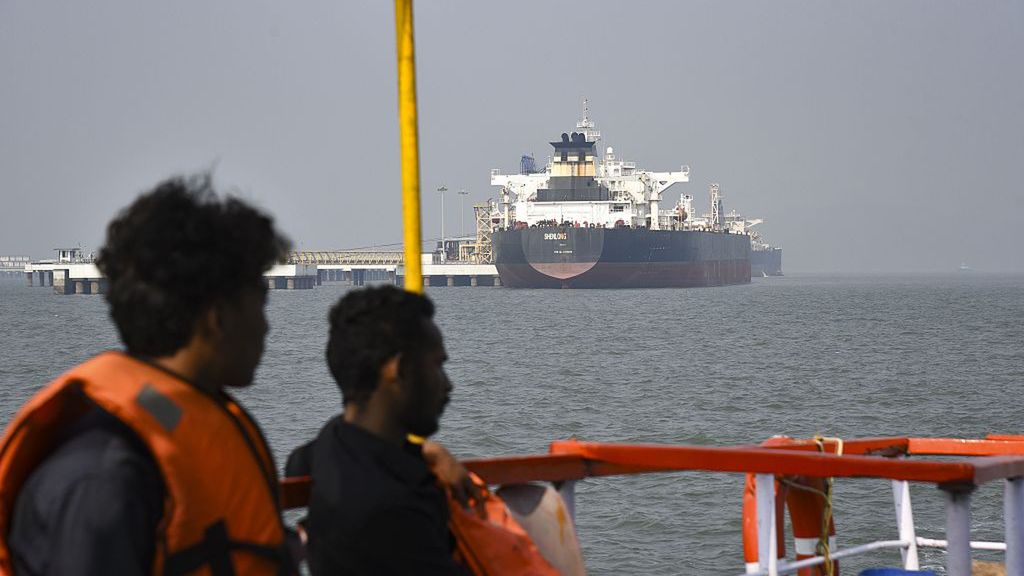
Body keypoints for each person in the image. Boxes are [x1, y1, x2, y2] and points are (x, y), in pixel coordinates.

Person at [0, 174, 295, 575]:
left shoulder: (176, 427)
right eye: (260, 305)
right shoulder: (104, 478)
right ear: (218, 318)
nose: (266, 326)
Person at [297, 286, 472, 575]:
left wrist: (425, 450)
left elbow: (296, 463)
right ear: (399, 370)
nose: (448, 384)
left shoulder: (331, 444)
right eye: (437, 366)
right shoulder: (389, 513)